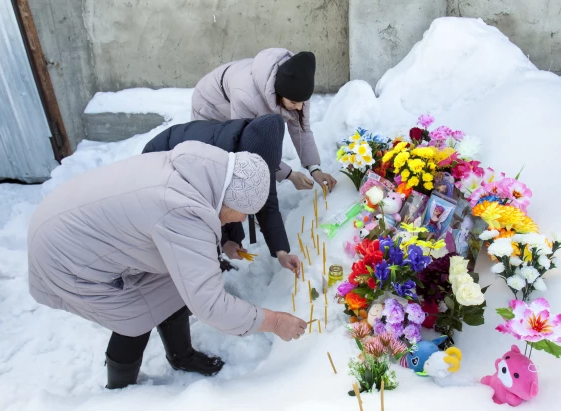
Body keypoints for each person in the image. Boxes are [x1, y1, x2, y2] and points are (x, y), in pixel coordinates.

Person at [28, 142, 307, 389]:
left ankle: (181, 356)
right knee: (135, 316)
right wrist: (275, 321)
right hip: (65, 255)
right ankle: (119, 392)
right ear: (231, 199)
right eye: (242, 214)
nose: (237, 221)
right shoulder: (183, 211)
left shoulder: (202, 170)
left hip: (65, 219)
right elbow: (211, 306)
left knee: (174, 284)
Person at [142, 114, 299, 273]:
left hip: (201, 172)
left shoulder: (259, 164)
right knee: (195, 232)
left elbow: (267, 203)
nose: (245, 217)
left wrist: (282, 253)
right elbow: (206, 208)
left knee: (232, 216)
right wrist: (222, 242)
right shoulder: (213, 157)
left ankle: (217, 257)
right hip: (159, 164)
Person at [191, 48, 337, 191]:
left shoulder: (298, 91)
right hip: (210, 104)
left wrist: (314, 168)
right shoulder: (246, 96)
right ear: (279, 94)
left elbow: (301, 130)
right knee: (219, 160)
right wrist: (289, 175)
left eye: (302, 102)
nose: (299, 107)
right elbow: (247, 144)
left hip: (238, 92)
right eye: (294, 103)